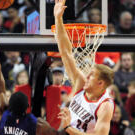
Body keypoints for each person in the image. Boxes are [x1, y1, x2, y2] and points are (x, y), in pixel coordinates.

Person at [0, 20, 67, 135]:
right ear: (28, 107)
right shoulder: (38, 125)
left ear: (8, 105)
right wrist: (67, 124)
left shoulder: (2, 112)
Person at [54, 0, 115, 135]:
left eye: (91, 75)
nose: (86, 76)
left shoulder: (105, 105)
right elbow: (66, 52)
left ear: (100, 83)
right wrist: (58, 18)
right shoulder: (80, 83)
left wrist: (68, 128)